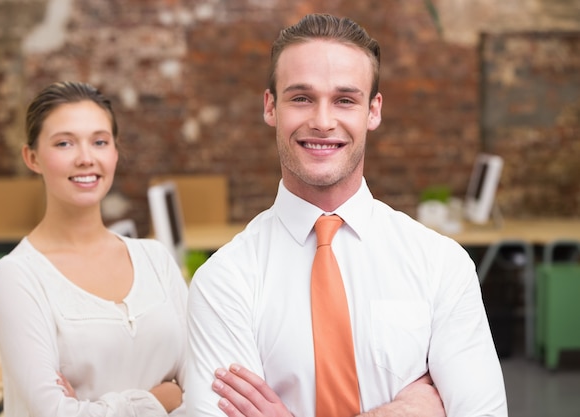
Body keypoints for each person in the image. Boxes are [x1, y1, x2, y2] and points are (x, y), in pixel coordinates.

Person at [185, 13, 507, 417]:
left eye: (345, 99)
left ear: (373, 111)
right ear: (271, 106)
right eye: (301, 98)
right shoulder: (224, 282)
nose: (322, 122)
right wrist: (406, 411)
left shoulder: (440, 264)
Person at [0, 81, 188, 417]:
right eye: (64, 143)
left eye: (99, 142)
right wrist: (160, 400)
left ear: (114, 151)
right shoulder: (17, 276)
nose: (86, 158)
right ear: (32, 157)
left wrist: (90, 408)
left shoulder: (155, 259)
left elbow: (205, 387)